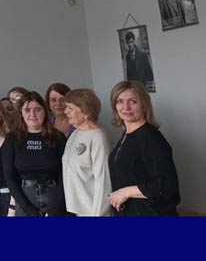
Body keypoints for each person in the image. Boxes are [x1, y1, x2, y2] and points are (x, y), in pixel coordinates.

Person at [107, 81, 179, 216]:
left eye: (133, 101)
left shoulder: (151, 138)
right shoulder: (126, 135)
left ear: (144, 105)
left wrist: (126, 192)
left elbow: (166, 186)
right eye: (120, 101)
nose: (126, 107)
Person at [2, 91, 67, 217]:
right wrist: (29, 211)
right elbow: (10, 179)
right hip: (25, 201)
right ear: (21, 112)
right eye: (27, 110)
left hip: (55, 201)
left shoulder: (58, 138)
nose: (32, 114)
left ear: (45, 111)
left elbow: (65, 176)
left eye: (37, 109)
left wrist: (56, 210)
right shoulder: (12, 139)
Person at [61, 89, 112, 216]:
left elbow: (104, 182)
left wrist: (98, 215)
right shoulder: (75, 134)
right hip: (76, 212)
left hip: (94, 213)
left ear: (86, 110)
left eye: (70, 108)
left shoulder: (98, 137)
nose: (65, 111)